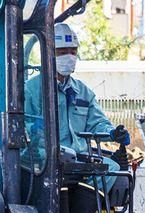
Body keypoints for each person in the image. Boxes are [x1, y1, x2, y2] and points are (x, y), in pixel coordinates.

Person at [24, 23, 130, 190]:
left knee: (111, 168)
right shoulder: (31, 89)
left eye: (73, 51)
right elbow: (23, 126)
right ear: (48, 53)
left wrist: (112, 133)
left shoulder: (83, 92)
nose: (69, 56)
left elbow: (96, 124)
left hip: (78, 156)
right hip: (45, 156)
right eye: (63, 52)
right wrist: (34, 131)